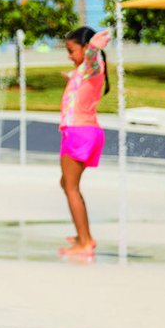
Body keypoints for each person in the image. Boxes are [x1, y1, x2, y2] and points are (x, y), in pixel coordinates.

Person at [58, 26, 111, 258]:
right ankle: (83, 235)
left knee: (71, 188)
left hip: (81, 132)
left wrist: (91, 49)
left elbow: (90, 60)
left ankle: (86, 242)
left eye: (72, 50)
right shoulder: (84, 71)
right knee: (66, 183)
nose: (69, 56)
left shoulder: (93, 64)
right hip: (78, 131)